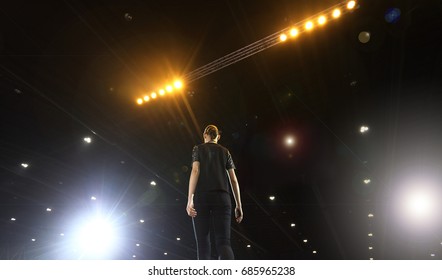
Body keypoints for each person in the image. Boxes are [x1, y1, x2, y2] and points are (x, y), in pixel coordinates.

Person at [186, 124, 243, 260]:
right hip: (222, 197)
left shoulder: (198, 149)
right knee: (224, 243)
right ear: (218, 136)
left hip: (202, 197)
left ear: (205, 135)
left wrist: (190, 199)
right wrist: (238, 205)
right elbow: (233, 180)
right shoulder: (225, 151)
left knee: (203, 244)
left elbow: (195, 171)